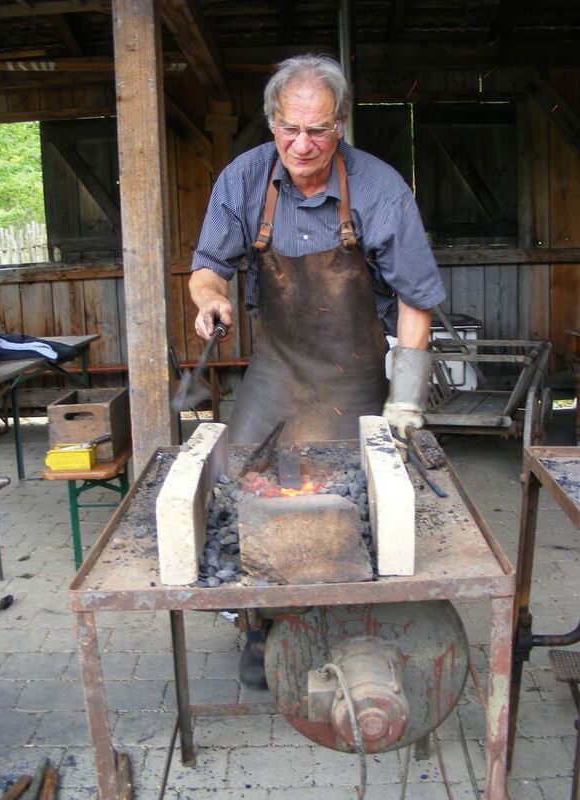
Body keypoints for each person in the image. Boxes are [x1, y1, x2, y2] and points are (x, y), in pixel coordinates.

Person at [188, 53, 446, 686]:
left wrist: (405, 404)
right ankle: (259, 622)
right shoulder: (244, 180)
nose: (302, 145)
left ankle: (348, 615)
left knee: (359, 497)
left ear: (342, 125)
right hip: (276, 368)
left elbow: (416, 300)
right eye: (289, 129)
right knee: (234, 488)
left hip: (354, 371)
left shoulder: (381, 189)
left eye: (319, 130)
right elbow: (205, 267)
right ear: (273, 122)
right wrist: (210, 297)